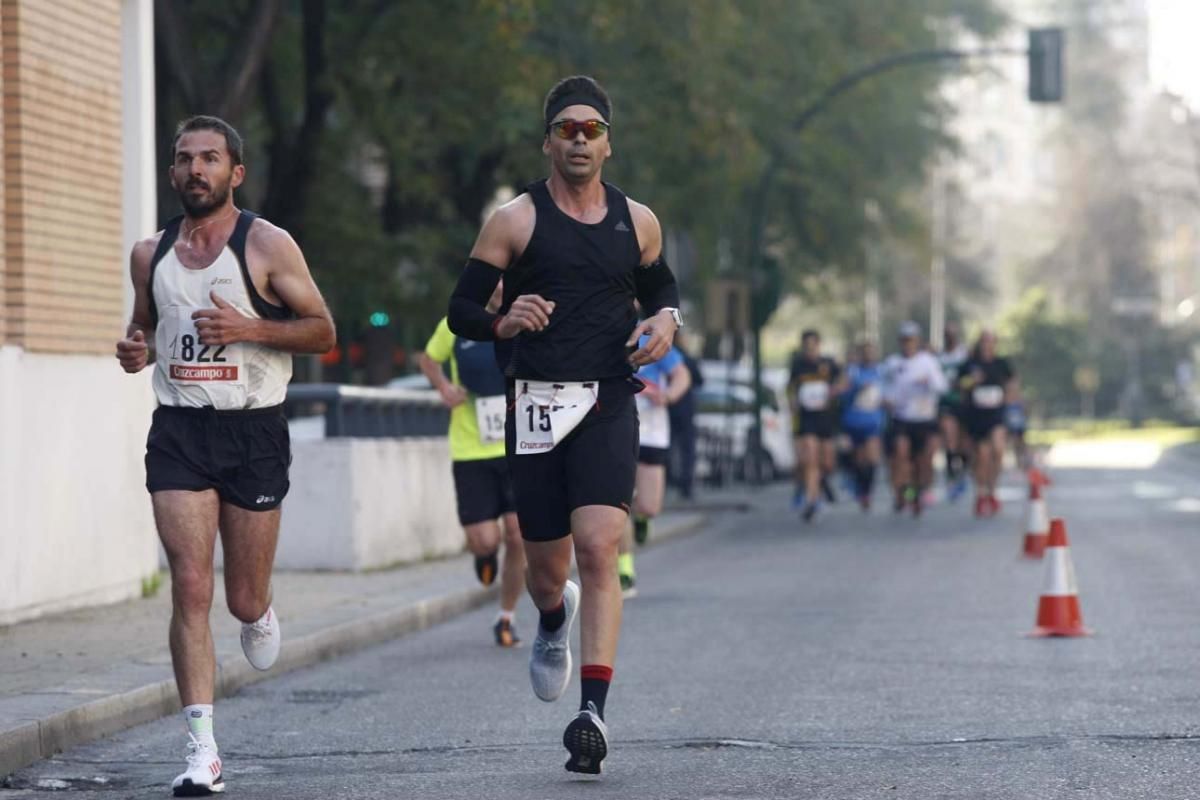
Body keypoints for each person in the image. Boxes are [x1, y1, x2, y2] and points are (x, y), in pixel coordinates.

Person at [446, 75, 682, 775]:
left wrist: (668, 318)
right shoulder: (514, 220)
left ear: (609, 142)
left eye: (592, 129)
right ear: (548, 140)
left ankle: (593, 715)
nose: (580, 139)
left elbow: (660, 286)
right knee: (548, 571)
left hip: (608, 399)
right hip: (537, 405)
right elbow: (461, 310)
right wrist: (502, 319)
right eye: (567, 129)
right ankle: (552, 620)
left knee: (599, 545)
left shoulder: (636, 220)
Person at [115, 116, 335, 796]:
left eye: (209, 158)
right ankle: (201, 751)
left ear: (235, 173)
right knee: (189, 584)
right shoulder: (149, 254)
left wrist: (249, 328)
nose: (194, 170)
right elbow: (146, 329)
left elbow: (323, 331)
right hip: (180, 431)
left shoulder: (266, 245)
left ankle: (261, 608)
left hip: (254, 431)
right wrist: (135, 349)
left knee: (240, 599)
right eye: (183, 159)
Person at [417, 281, 527, 646]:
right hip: (470, 448)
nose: (499, 284)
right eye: (492, 276)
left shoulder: (525, 313)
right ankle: (484, 556)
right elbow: (428, 359)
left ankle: (506, 616)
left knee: (518, 535)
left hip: (517, 446)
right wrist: (445, 389)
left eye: (505, 276)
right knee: (485, 539)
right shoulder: (459, 320)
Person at [620, 334, 692, 597]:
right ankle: (624, 569)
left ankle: (643, 518)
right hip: (616, 430)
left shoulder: (648, 338)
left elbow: (682, 374)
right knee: (620, 505)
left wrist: (669, 396)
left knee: (650, 506)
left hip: (652, 432)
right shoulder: (602, 332)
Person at [883, 322, 947, 516]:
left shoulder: (927, 361)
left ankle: (918, 491)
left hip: (924, 418)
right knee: (901, 453)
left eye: (911, 340)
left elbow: (941, 386)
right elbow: (884, 388)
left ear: (917, 341)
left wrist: (928, 382)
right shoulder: (892, 363)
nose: (907, 344)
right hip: (902, 418)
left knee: (924, 459)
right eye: (904, 340)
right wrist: (886, 400)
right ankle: (903, 491)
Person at [959, 330, 1018, 517]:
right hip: (976, 416)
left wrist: (1010, 395)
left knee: (998, 449)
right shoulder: (970, 364)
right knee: (982, 456)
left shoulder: (1002, 364)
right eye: (984, 341)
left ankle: (993, 490)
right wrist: (971, 381)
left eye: (991, 341)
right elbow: (959, 385)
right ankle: (981, 493)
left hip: (996, 414)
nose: (987, 345)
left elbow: (1013, 382)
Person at [787, 329, 842, 522]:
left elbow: (843, 380)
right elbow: (791, 387)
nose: (810, 350)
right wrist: (793, 402)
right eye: (806, 346)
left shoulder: (829, 364)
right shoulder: (798, 365)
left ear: (819, 345)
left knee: (827, 462)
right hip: (807, 417)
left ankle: (823, 482)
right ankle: (812, 500)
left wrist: (835, 390)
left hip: (825, 418)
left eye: (813, 346)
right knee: (810, 458)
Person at [839, 340, 887, 510]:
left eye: (871, 352)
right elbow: (840, 392)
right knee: (859, 460)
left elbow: (887, 393)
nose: (869, 356)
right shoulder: (852, 372)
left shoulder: (881, 371)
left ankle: (867, 492)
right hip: (853, 422)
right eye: (865, 352)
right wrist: (854, 388)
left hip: (872, 422)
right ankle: (860, 489)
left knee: (872, 458)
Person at [937, 321, 971, 501]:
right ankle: (950, 475)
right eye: (946, 335)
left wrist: (963, 384)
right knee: (949, 437)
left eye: (953, 334)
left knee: (964, 443)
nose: (950, 338)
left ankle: (962, 473)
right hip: (946, 403)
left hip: (964, 403)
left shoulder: (965, 354)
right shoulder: (939, 356)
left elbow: (972, 376)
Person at [667, 339, 704, 500]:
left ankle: (668, 481)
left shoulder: (662, 354)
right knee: (687, 449)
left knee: (667, 447)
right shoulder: (687, 358)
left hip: (667, 409)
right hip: (685, 410)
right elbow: (699, 381)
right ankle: (686, 485)